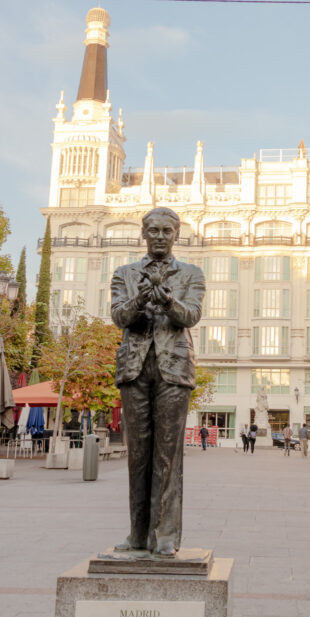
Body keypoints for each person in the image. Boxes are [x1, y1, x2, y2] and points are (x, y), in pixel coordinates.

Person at [110, 207, 205, 558]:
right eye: (154, 230)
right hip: (134, 369)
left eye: (167, 230)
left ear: (177, 234)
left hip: (174, 370)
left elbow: (191, 316)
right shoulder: (124, 273)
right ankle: (137, 534)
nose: (161, 236)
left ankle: (165, 534)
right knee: (138, 456)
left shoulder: (192, 273)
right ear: (144, 233)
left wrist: (166, 299)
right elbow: (120, 316)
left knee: (168, 455)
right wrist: (140, 299)